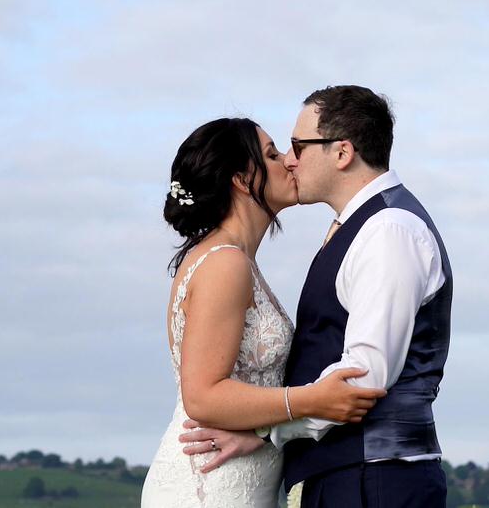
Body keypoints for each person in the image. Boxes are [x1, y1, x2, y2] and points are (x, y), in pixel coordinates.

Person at [182, 87, 454, 508]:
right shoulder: (361, 228)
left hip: (378, 478)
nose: (290, 161)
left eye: (296, 146)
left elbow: (362, 380)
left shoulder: (389, 231)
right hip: (351, 475)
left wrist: (265, 431)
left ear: (342, 152)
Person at [141, 117, 387, 508]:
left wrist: (265, 432)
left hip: (243, 473)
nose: (290, 162)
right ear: (241, 180)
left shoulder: (238, 261)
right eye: (272, 154)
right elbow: (202, 397)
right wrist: (311, 400)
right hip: (211, 484)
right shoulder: (225, 264)